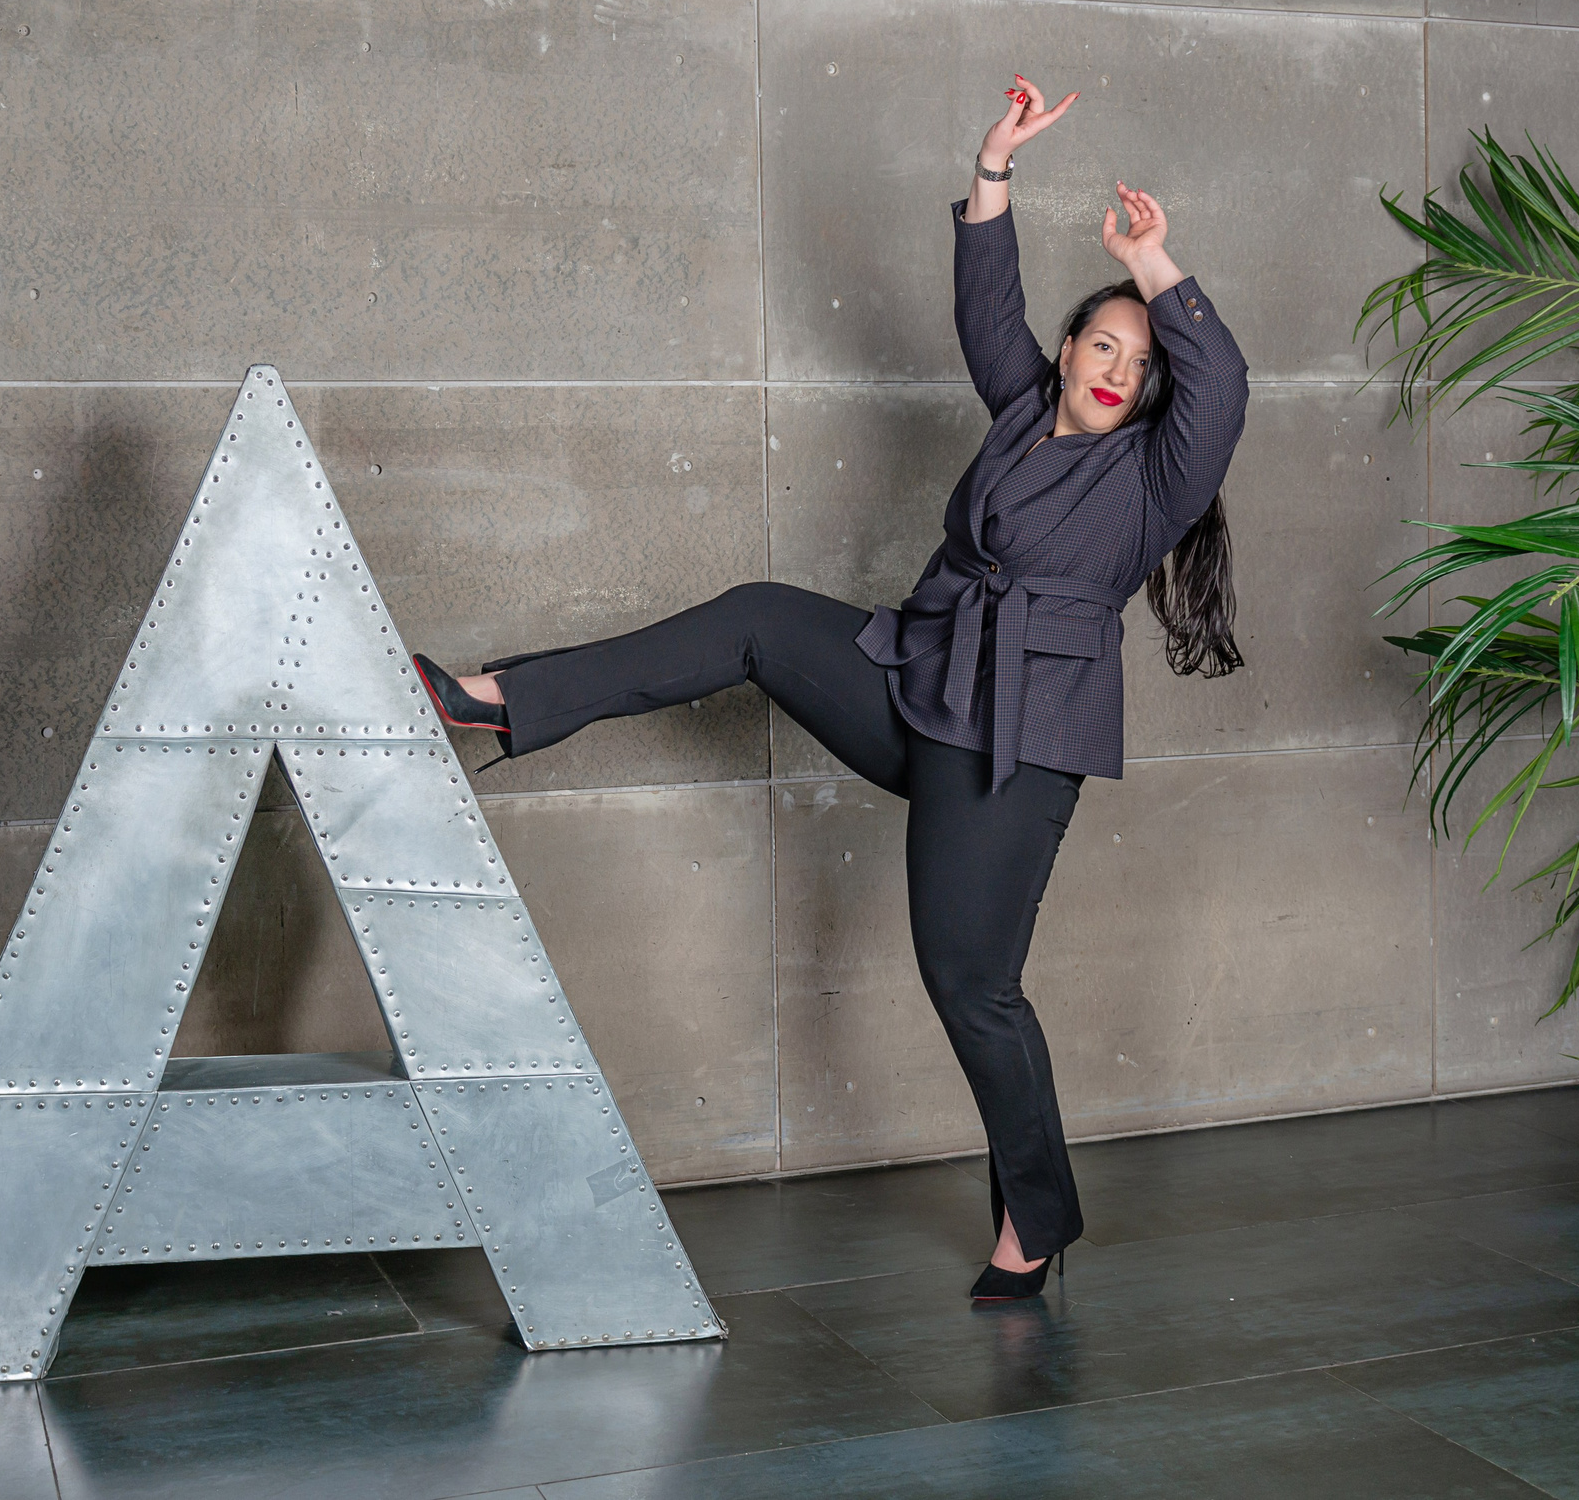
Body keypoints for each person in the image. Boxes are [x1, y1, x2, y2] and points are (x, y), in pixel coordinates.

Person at [413, 75, 1249, 1300]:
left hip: (1015, 743)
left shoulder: (1150, 483)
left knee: (970, 981)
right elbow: (985, 302)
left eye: (1139, 357)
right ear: (1067, 353)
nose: (1117, 368)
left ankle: (1038, 1213)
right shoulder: (1021, 410)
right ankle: (503, 698)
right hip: (915, 674)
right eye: (1100, 343)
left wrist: (1156, 261)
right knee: (759, 618)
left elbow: (1221, 387)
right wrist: (994, 168)